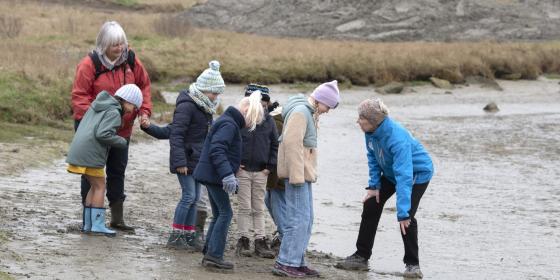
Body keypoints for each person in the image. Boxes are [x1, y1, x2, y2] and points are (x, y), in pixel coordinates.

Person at [335, 98, 434, 279]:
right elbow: (373, 158)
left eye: (361, 118)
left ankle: (413, 265)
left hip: (416, 174)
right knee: (371, 203)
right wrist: (374, 186)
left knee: (406, 217)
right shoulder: (370, 132)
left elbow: (404, 176)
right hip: (391, 173)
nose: (358, 121)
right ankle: (361, 256)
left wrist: (403, 212)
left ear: (373, 121)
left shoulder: (397, 138)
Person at [71, 21, 152, 232]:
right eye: (115, 44)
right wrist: (100, 122)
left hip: (123, 128)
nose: (120, 49)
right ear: (104, 44)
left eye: (122, 44)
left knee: (117, 171)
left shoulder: (131, 60)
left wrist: (144, 112)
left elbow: (143, 86)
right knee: (92, 172)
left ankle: (117, 218)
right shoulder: (89, 65)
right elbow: (79, 97)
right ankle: (89, 220)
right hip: (93, 131)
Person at [141, 61, 224, 251]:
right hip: (185, 161)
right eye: (214, 92)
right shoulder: (188, 105)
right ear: (204, 89)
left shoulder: (206, 108)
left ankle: (188, 235)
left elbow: (169, 131)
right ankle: (176, 236)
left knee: (195, 198)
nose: (216, 97)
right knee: (188, 197)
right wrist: (180, 162)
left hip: (197, 160)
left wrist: (149, 128)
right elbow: (176, 134)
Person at [272, 81, 341, 278]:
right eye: (329, 106)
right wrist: (296, 176)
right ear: (321, 100)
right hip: (297, 176)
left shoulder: (309, 111)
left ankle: (297, 260)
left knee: (307, 218)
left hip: (304, 175)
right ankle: (285, 262)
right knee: (298, 219)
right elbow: (291, 144)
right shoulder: (301, 112)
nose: (328, 111)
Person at [193, 91, 265, 271]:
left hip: (211, 175)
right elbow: (217, 149)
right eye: (252, 119)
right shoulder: (229, 124)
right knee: (226, 214)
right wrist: (227, 174)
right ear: (246, 110)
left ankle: (209, 252)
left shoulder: (228, 121)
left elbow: (221, 150)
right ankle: (214, 256)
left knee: (219, 214)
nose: (250, 124)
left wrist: (231, 167)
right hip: (215, 176)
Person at [66, 84, 143, 236]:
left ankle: (88, 224)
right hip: (91, 153)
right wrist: (122, 141)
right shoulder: (114, 112)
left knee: (93, 186)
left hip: (80, 149)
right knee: (100, 186)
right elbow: (103, 134)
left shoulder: (100, 105)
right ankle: (97, 225)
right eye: (134, 106)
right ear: (127, 101)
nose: (133, 110)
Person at [235, 84, 278, 259]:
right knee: (244, 207)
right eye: (258, 101)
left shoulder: (269, 122)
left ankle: (260, 239)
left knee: (258, 207)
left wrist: (269, 167)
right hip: (243, 170)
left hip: (261, 171)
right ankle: (243, 239)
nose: (261, 105)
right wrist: (235, 164)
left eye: (264, 102)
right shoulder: (241, 119)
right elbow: (233, 141)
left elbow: (275, 144)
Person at [264, 103, 285, 255]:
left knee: (277, 204)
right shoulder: (277, 120)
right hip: (277, 172)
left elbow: (273, 149)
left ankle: (284, 237)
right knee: (270, 201)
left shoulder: (275, 122)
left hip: (279, 174)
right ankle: (282, 234)